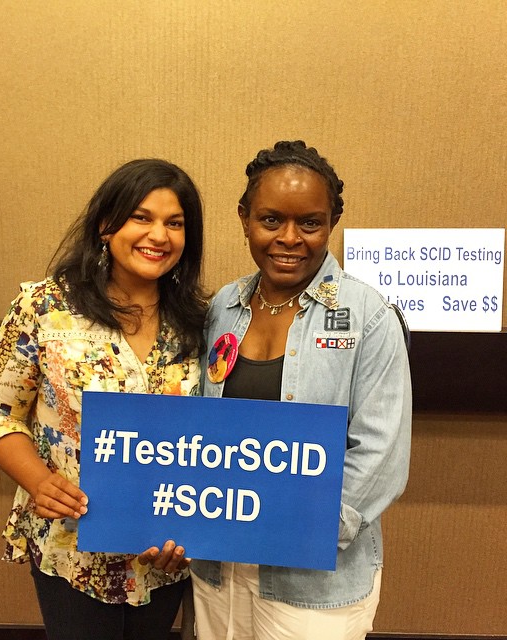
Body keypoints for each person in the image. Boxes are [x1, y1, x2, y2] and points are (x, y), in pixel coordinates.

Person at [0, 158, 208, 640]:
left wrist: (194, 526)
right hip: (72, 546)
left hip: (164, 552)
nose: (159, 235)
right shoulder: (44, 307)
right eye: (141, 217)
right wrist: (39, 481)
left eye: (175, 223)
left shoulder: (202, 323)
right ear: (106, 224)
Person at [190, 141, 411, 640]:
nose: (289, 238)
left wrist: (299, 530)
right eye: (271, 220)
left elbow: (380, 454)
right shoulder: (224, 305)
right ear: (244, 218)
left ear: (331, 221)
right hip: (219, 566)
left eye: (309, 223)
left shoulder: (368, 316)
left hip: (313, 574)